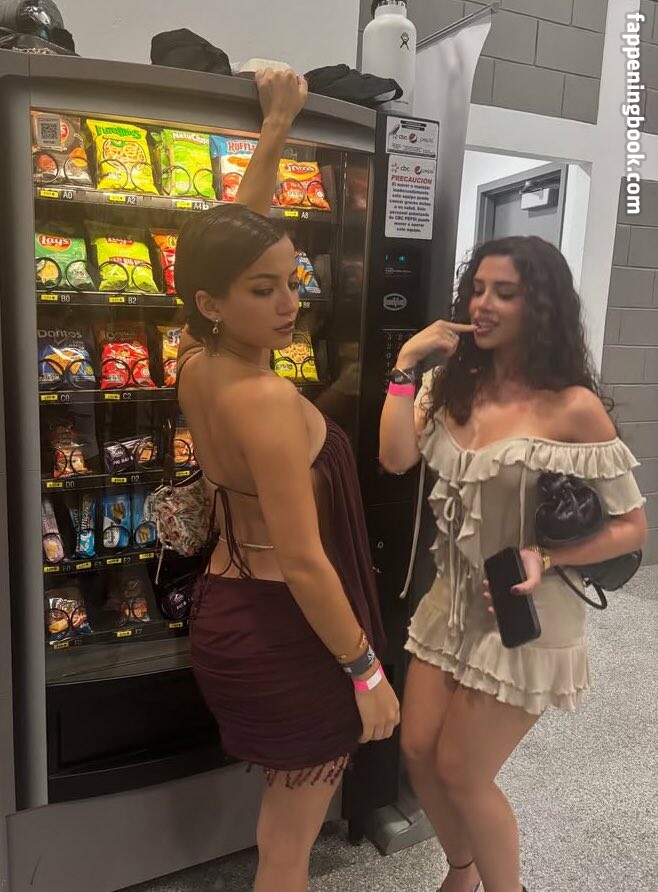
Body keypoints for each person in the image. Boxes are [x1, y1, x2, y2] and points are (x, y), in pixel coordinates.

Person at [174, 69, 400, 892]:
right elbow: (306, 563)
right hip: (291, 630)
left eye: (292, 281)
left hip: (229, 608)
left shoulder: (194, 359)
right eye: (263, 291)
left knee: (280, 831)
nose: (288, 303)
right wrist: (366, 672)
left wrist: (275, 127)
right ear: (212, 302)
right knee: (287, 849)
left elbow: (241, 237)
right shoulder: (266, 401)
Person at [379, 236, 648, 892]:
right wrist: (405, 365)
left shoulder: (572, 406)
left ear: (540, 305)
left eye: (505, 292)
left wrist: (547, 554)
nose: (484, 304)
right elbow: (395, 457)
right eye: (477, 289)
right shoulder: (452, 384)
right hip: (450, 603)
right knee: (418, 751)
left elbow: (632, 527)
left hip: (525, 611)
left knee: (463, 771)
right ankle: (463, 872)